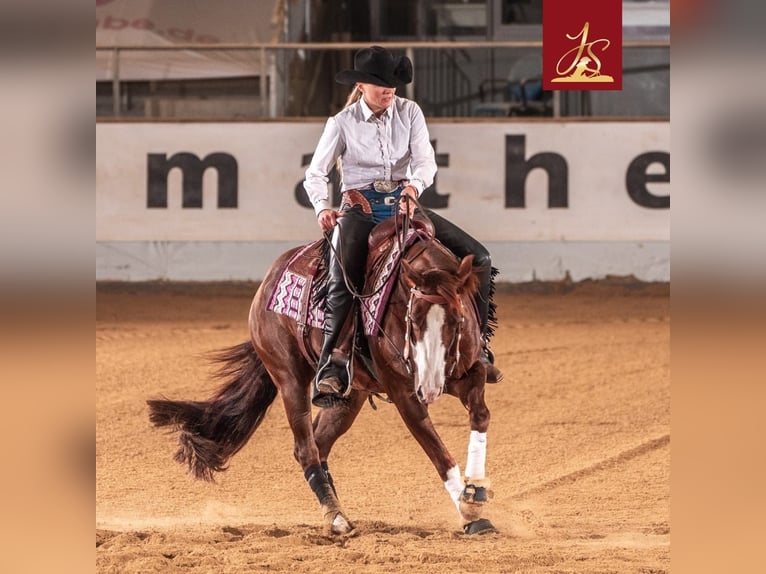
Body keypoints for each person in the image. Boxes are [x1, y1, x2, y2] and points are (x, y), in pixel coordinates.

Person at [303, 45, 503, 408]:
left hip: (403, 203)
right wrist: (322, 208)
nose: (389, 89)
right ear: (362, 85)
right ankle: (333, 361)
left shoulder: (410, 112)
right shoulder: (342, 123)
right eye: (381, 84)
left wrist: (412, 187)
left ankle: (479, 347)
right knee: (342, 278)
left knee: (480, 257)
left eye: (392, 83)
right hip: (359, 208)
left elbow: (425, 161)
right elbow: (315, 173)